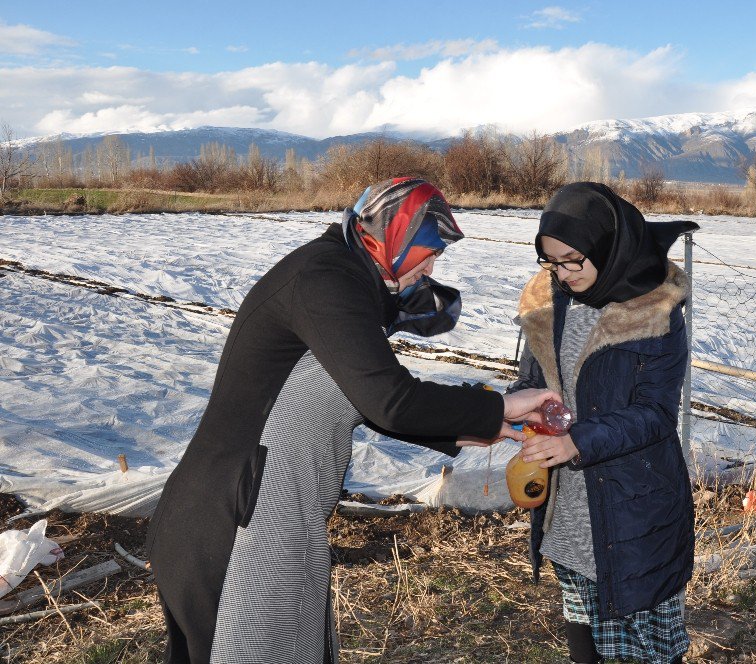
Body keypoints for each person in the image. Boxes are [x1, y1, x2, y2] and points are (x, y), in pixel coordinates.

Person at [146, 177, 558, 664]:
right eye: (427, 251)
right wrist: (498, 406)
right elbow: (389, 399)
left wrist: (472, 427)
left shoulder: (344, 277)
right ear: (392, 234)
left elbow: (362, 395)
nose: (431, 266)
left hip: (252, 514)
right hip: (237, 524)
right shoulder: (325, 280)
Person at [508, 182, 698, 663]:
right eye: (551, 262)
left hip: (633, 507)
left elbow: (655, 414)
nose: (563, 273)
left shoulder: (655, 310)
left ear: (607, 245)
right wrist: (519, 409)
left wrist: (577, 442)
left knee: (649, 646)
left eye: (574, 259)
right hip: (569, 508)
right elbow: (531, 380)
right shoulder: (547, 303)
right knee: (584, 641)